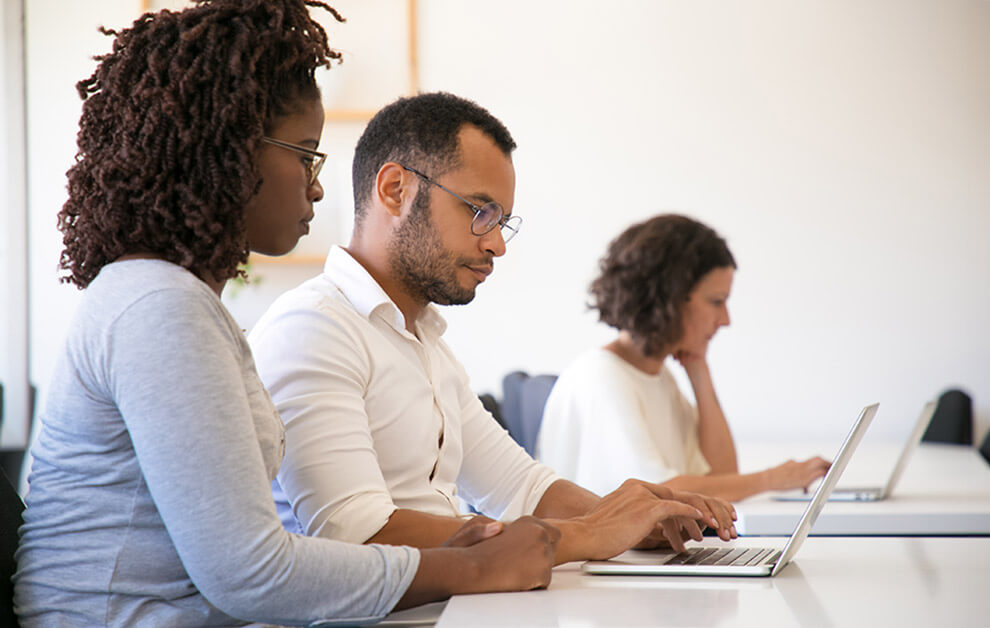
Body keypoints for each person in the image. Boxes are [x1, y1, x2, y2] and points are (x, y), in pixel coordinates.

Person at [14, 3, 561, 626]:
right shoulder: (158, 305)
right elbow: (253, 573)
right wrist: (474, 568)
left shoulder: (179, 300)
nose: (319, 186)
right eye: (305, 154)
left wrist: (456, 550)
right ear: (229, 148)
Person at [248, 92, 737, 565]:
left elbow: (524, 488)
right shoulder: (313, 328)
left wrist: (643, 522)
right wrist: (589, 532)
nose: (497, 244)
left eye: (502, 221)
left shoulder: (427, 344)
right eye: (479, 211)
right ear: (395, 189)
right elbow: (356, 535)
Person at [536, 214, 831, 502]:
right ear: (670, 298)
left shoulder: (658, 377)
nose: (725, 320)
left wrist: (698, 370)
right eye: (716, 302)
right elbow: (655, 495)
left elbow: (722, 476)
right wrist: (771, 479)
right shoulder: (602, 376)